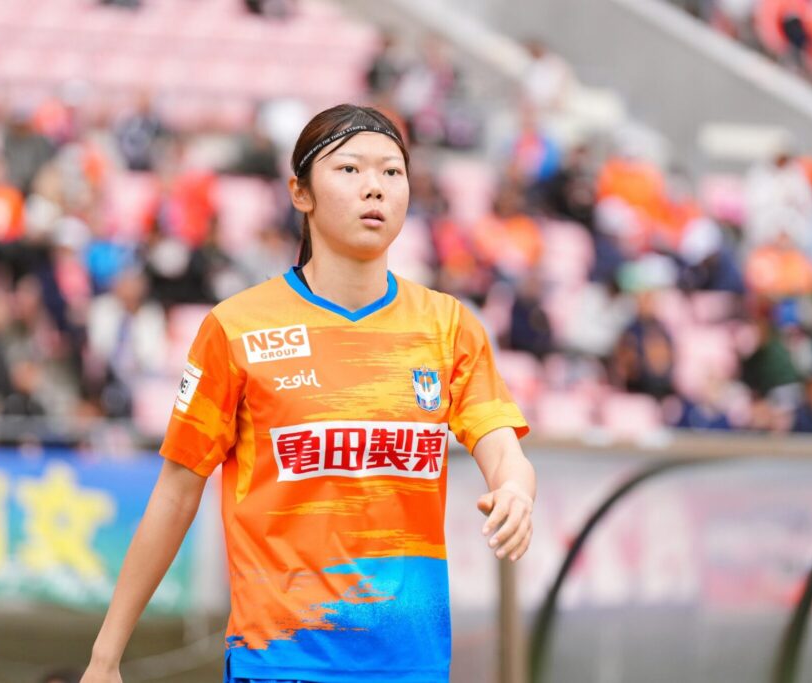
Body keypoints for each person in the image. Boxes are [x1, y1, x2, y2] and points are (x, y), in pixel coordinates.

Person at [81, 104, 536, 683]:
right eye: (349, 169)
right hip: (280, 660)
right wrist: (105, 657)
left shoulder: (449, 327)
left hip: (413, 664)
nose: (374, 187)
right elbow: (175, 493)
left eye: (392, 172)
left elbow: (503, 448)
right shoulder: (237, 328)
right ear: (301, 193)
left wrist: (515, 490)